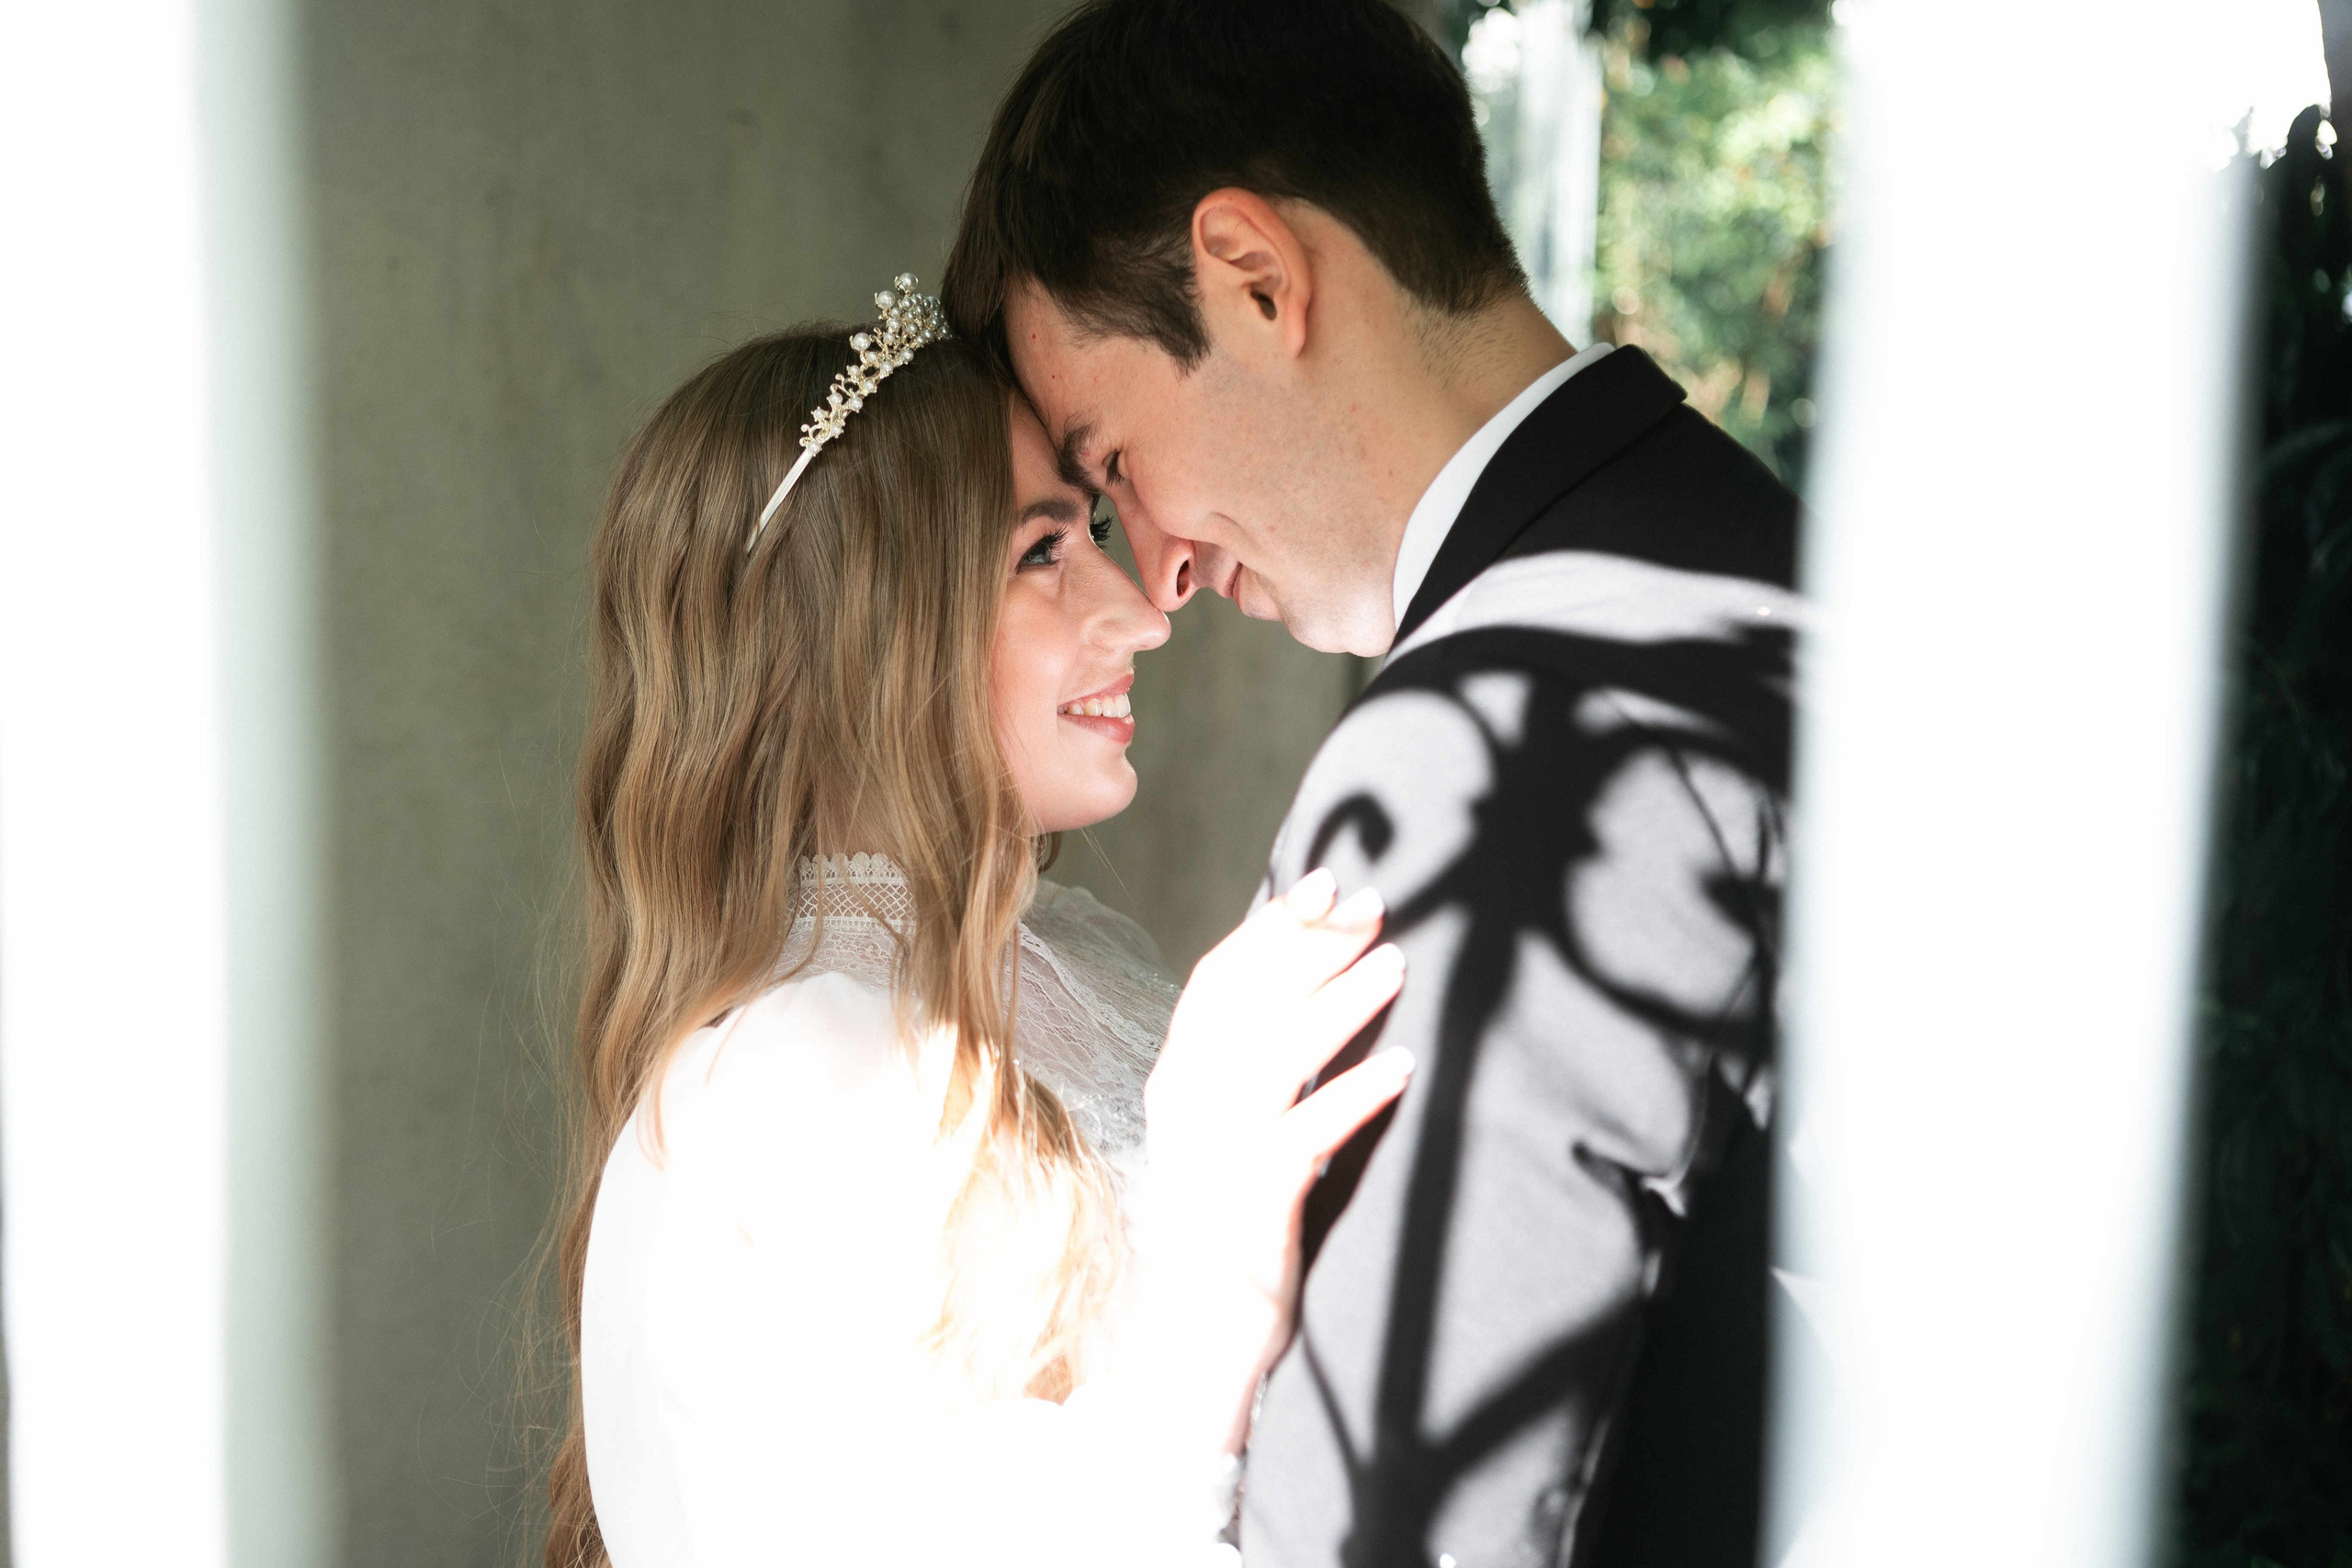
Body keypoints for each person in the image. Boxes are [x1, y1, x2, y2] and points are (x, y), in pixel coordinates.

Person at [942, 3, 1799, 1564]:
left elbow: (1388, 1518)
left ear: (1257, 280)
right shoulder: (1761, 559)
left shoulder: (1484, 756)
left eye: (1112, 464)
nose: (1170, 571)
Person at [542, 289, 1419, 1567]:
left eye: (1096, 530)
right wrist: (1221, 1263)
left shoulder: (1073, 966)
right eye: (1040, 554)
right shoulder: (795, 1069)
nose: (1143, 610)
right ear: (855, 633)